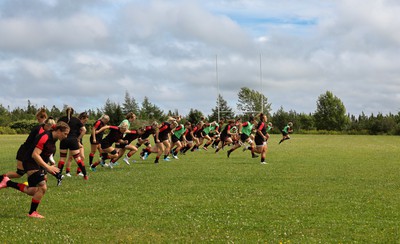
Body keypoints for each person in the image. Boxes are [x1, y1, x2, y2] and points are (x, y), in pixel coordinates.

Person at [0, 121, 70, 218]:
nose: (66, 136)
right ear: (58, 131)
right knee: (42, 187)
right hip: (30, 162)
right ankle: (32, 213)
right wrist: (47, 167)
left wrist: (49, 167)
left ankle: (7, 182)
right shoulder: (45, 137)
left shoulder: (53, 139)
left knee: (32, 191)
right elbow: (35, 154)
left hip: (37, 164)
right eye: (65, 133)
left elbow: (44, 154)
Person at [6, 108, 51, 179]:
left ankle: (38, 187)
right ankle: (2, 178)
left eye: (38, 119)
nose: (38, 121)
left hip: (30, 152)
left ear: (44, 118)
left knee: (40, 172)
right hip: (25, 151)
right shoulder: (39, 129)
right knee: (20, 173)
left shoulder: (43, 129)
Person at [57, 107, 88, 180]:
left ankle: (59, 176)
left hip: (64, 140)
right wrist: (78, 139)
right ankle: (85, 175)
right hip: (73, 140)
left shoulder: (61, 119)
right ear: (73, 112)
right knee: (78, 158)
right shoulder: (76, 120)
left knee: (62, 159)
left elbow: (56, 128)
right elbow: (84, 130)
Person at [65, 112, 89, 177]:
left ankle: (78, 172)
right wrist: (77, 140)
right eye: (85, 120)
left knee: (82, 157)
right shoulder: (76, 124)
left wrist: (79, 141)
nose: (85, 122)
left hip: (79, 142)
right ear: (81, 118)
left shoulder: (81, 125)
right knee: (70, 158)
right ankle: (67, 172)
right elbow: (73, 134)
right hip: (73, 142)